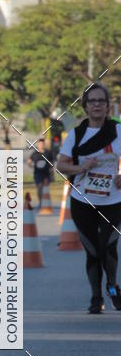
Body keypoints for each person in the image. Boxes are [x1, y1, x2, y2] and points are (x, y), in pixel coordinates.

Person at [57, 82, 121, 314]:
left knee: (109, 248)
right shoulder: (76, 135)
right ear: (85, 106)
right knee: (93, 251)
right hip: (83, 201)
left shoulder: (118, 131)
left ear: (107, 106)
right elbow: (61, 165)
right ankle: (96, 298)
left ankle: (113, 287)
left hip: (114, 202)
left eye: (101, 101)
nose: (97, 105)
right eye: (92, 101)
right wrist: (81, 167)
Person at [28, 138, 53, 209]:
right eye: (40, 144)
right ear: (38, 145)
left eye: (43, 144)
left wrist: (51, 172)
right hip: (38, 174)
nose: (41, 145)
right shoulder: (35, 153)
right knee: (39, 187)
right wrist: (30, 165)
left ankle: (46, 203)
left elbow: (51, 164)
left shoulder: (48, 153)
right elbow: (29, 161)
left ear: (44, 144)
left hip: (46, 174)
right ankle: (40, 202)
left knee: (45, 189)